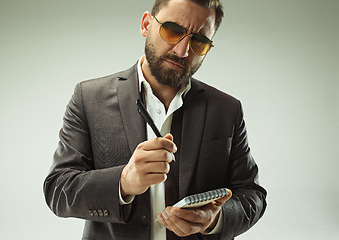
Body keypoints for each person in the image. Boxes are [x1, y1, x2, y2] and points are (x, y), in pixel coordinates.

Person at [43, 0, 267, 239]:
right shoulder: (88, 98)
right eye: (173, 30)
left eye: (199, 42)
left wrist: (214, 220)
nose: (182, 51)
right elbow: (58, 190)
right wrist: (124, 182)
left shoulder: (227, 109)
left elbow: (252, 195)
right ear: (146, 24)